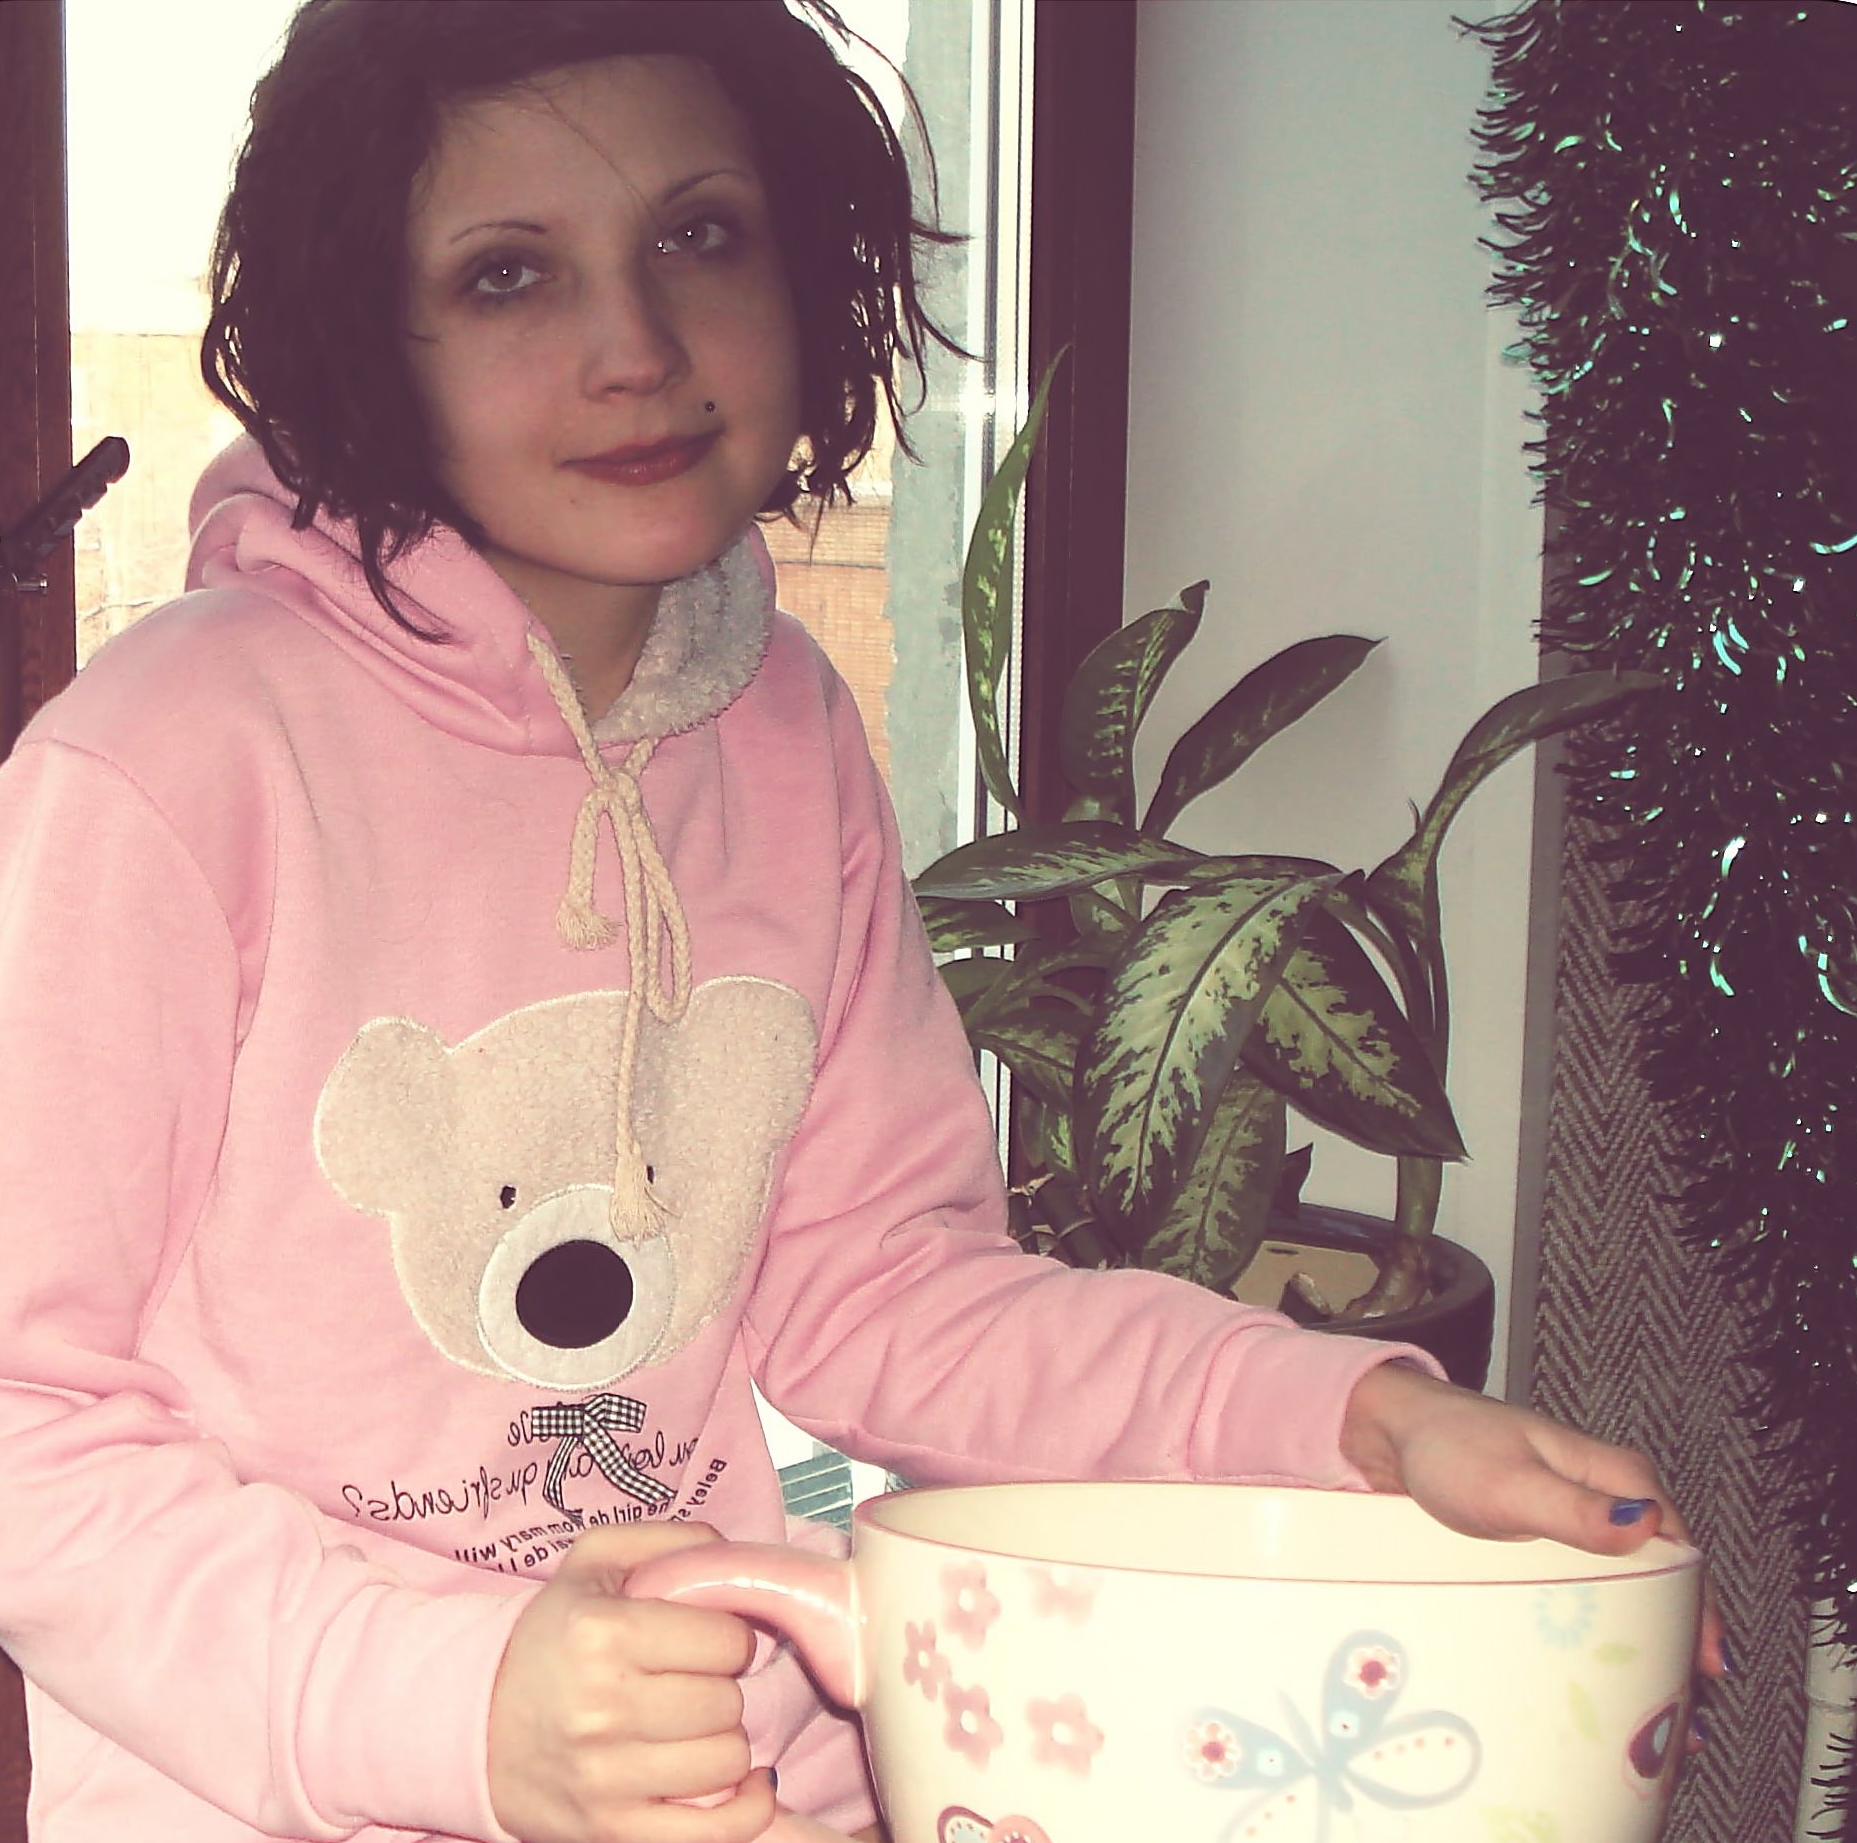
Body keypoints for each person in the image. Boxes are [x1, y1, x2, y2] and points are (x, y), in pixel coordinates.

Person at [0, 4, 1720, 1842]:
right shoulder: (167, 760)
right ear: (363, 331)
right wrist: (459, 1711)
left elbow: (882, 1291)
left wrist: (1357, 1426)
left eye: (699, 234)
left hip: (760, 1784)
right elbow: (26, 1416)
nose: (636, 348)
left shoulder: (783, 720)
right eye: (507, 273)